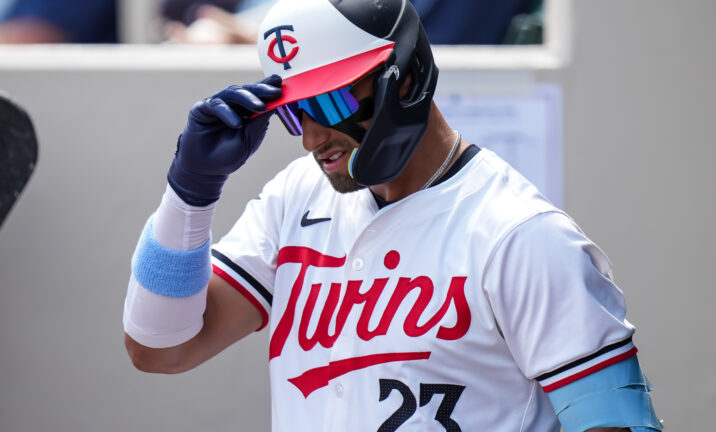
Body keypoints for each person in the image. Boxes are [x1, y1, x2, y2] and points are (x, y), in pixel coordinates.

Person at [123, 0, 663, 430]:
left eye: (328, 103)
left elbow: (616, 425)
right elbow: (159, 348)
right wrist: (190, 193)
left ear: (403, 80)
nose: (310, 137)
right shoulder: (295, 197)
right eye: (293, 111)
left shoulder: (522, 236)